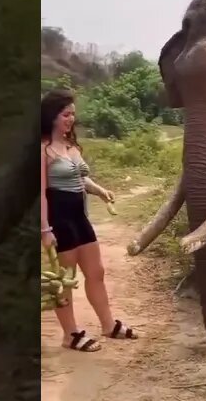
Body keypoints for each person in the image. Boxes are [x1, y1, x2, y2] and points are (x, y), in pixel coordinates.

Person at [40, 88, 139, 351]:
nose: (70, 119)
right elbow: (38, 194)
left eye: (73, 114)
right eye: (65, 114)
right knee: (66, 280)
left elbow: (80, 178)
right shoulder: (43, 150)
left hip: (79, 217)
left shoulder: (70, 146)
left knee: (96, 272)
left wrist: (100, 191)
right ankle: (70, 334)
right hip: (58, 219)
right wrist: (45, 229)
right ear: (51, 116)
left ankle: (108, 325)